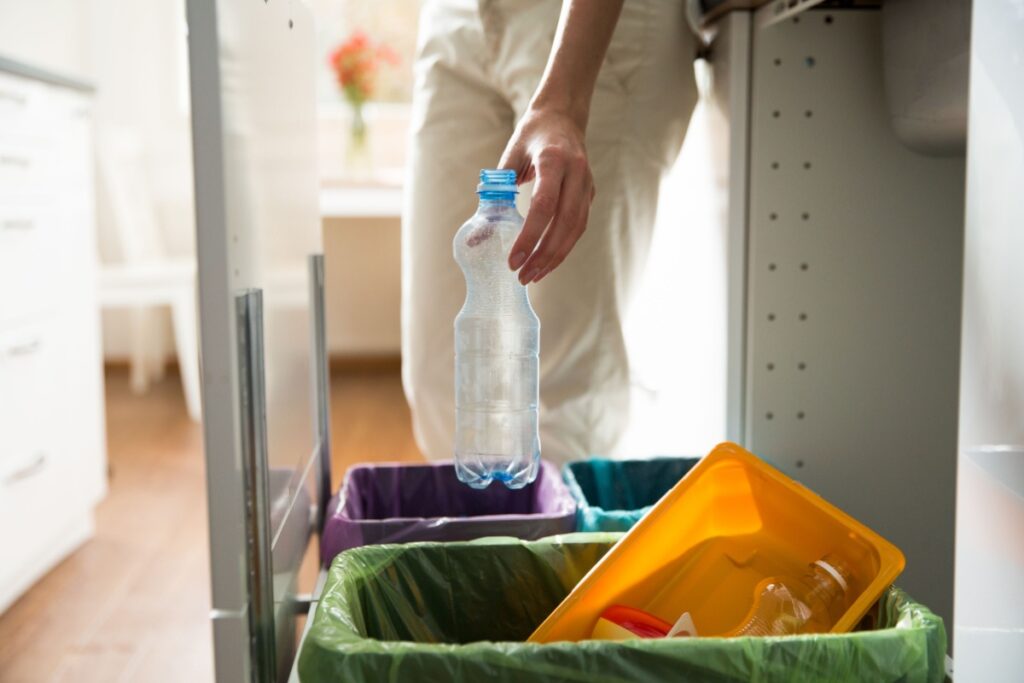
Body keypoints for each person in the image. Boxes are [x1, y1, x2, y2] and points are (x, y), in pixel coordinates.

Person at [403, 0, 697, 465]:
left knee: (562, 387)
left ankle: (565, 536)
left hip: (592, 24)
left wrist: (564, 101)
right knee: (441, 379)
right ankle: (486, 533)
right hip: (457, 18)